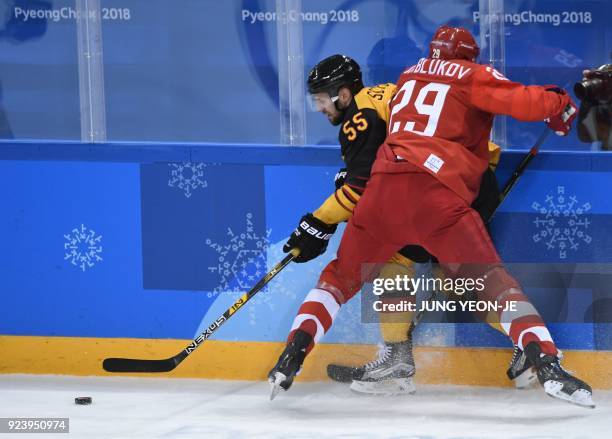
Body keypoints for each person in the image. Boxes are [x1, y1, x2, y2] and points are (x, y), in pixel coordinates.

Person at [269, 26, 594, 408]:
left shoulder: (406, 76)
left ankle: (296, 351)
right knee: (484, 280)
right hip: (441, 194)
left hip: (388, 192)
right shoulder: (469, 74)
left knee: (346, 276)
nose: (321, 107)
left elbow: (361, 179)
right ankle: (542, 356)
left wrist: (321, 219)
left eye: (323, 99)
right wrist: (559, 104)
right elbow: (526, 102)